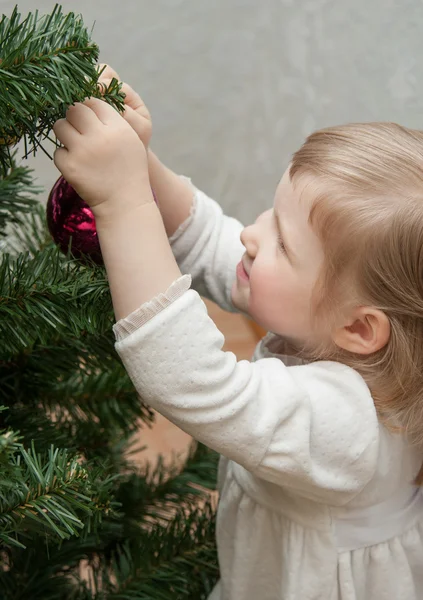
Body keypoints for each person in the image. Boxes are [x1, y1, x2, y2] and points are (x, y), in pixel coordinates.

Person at [52, 64, 423, 600]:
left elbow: (190, 380)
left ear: (359, 328)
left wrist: (122, 201)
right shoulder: (331, 324)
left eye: (284, 246)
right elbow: (210, 241)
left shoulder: (348, 426)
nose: (252, 234)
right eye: (271, 212)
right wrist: (142, 164)